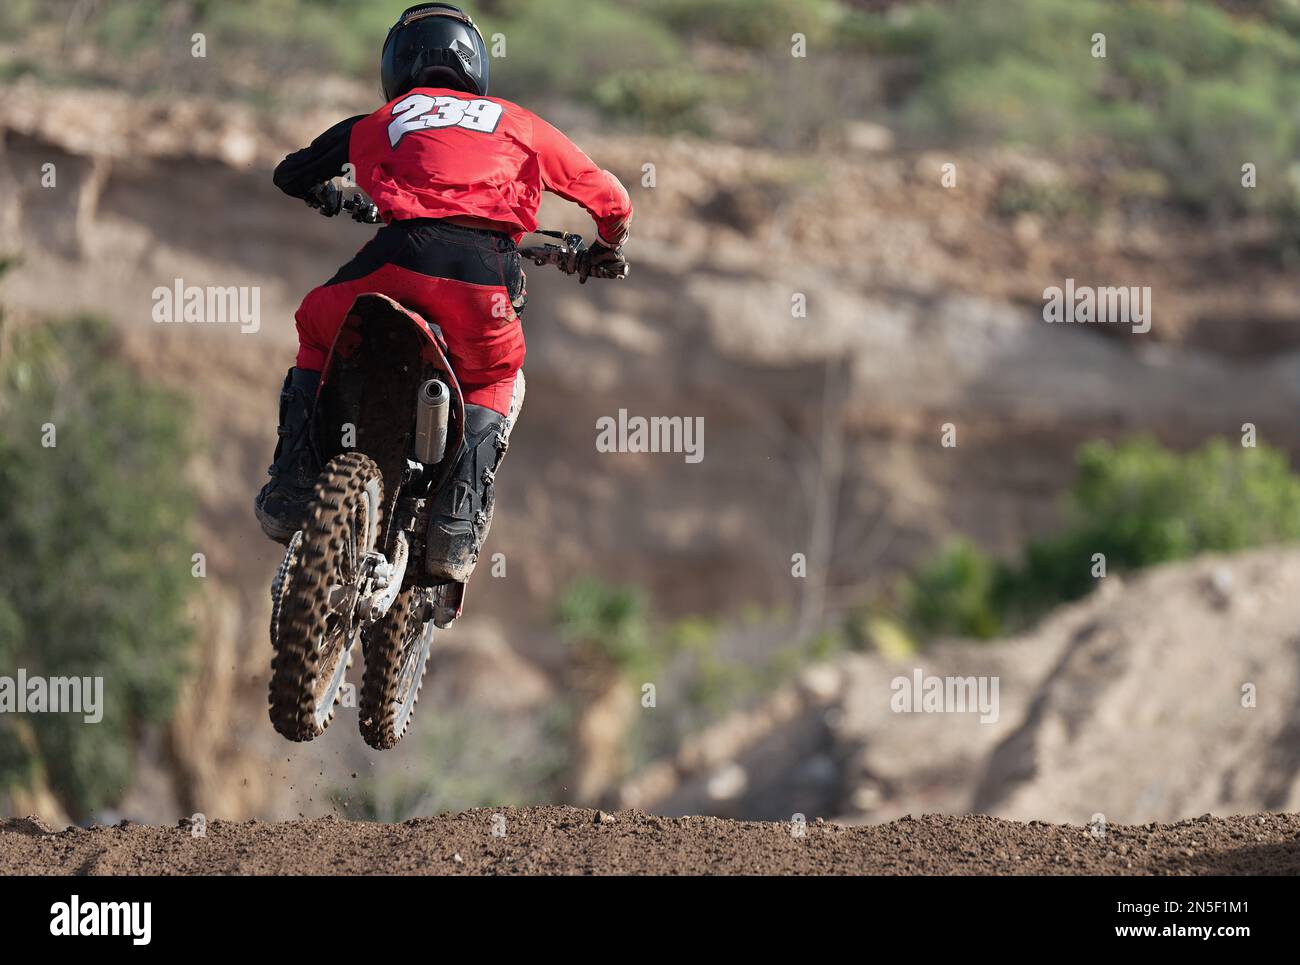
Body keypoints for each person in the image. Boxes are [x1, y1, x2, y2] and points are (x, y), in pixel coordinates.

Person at [254, 2, 632, 583]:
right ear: (475, 63)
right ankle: (455, 523)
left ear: (396, 65)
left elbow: (290, 174)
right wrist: (606, 246)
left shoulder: (379, 121)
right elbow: (609, 197)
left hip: (394, 260)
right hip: (481, 280)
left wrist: (331, 198)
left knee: (315, 325)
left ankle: (291, 482)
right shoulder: (516, 121)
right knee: (495, 377)